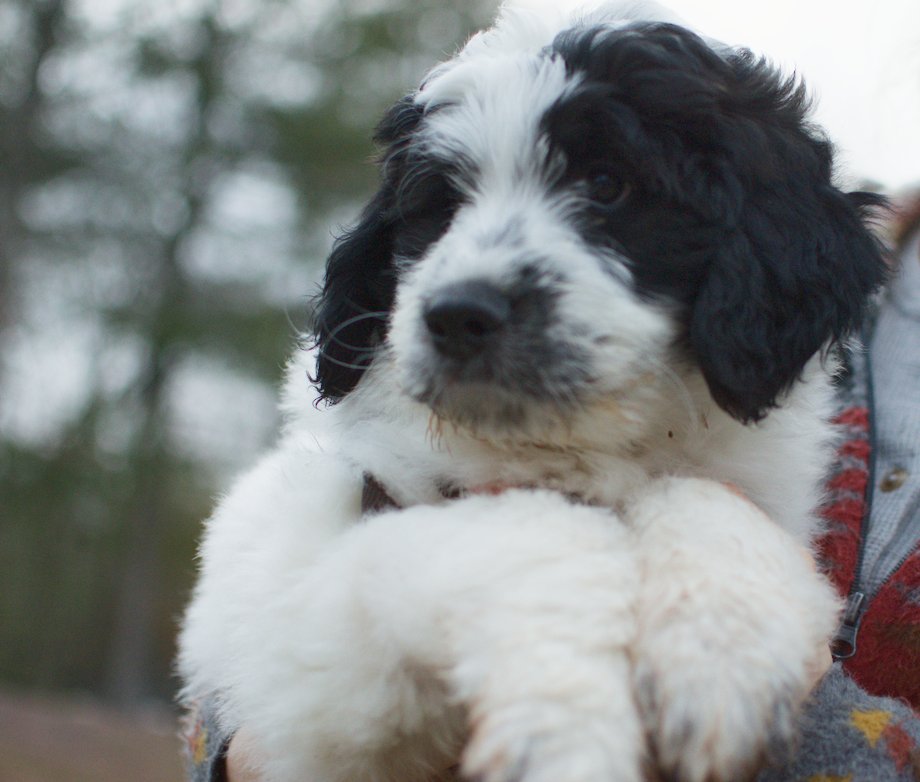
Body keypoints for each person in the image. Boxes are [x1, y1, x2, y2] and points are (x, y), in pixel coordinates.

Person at [182, 195, 920, 782]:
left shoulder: (779, 255)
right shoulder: (839, 255)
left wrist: (808, 734)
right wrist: (238, 753)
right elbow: (236, 705)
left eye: (605, 195)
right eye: (450, 203)